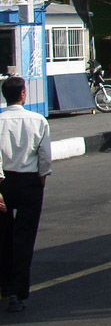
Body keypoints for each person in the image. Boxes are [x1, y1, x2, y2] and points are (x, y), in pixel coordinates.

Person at [0, 76, 52, 313]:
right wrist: (40, 178)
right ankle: (18, 294)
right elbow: (44, 156)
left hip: (3, 183)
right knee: (24, 239)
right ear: (23, 94)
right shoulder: (38, 121)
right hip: (30, 182)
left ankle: (5, 286)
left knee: (3, 238)